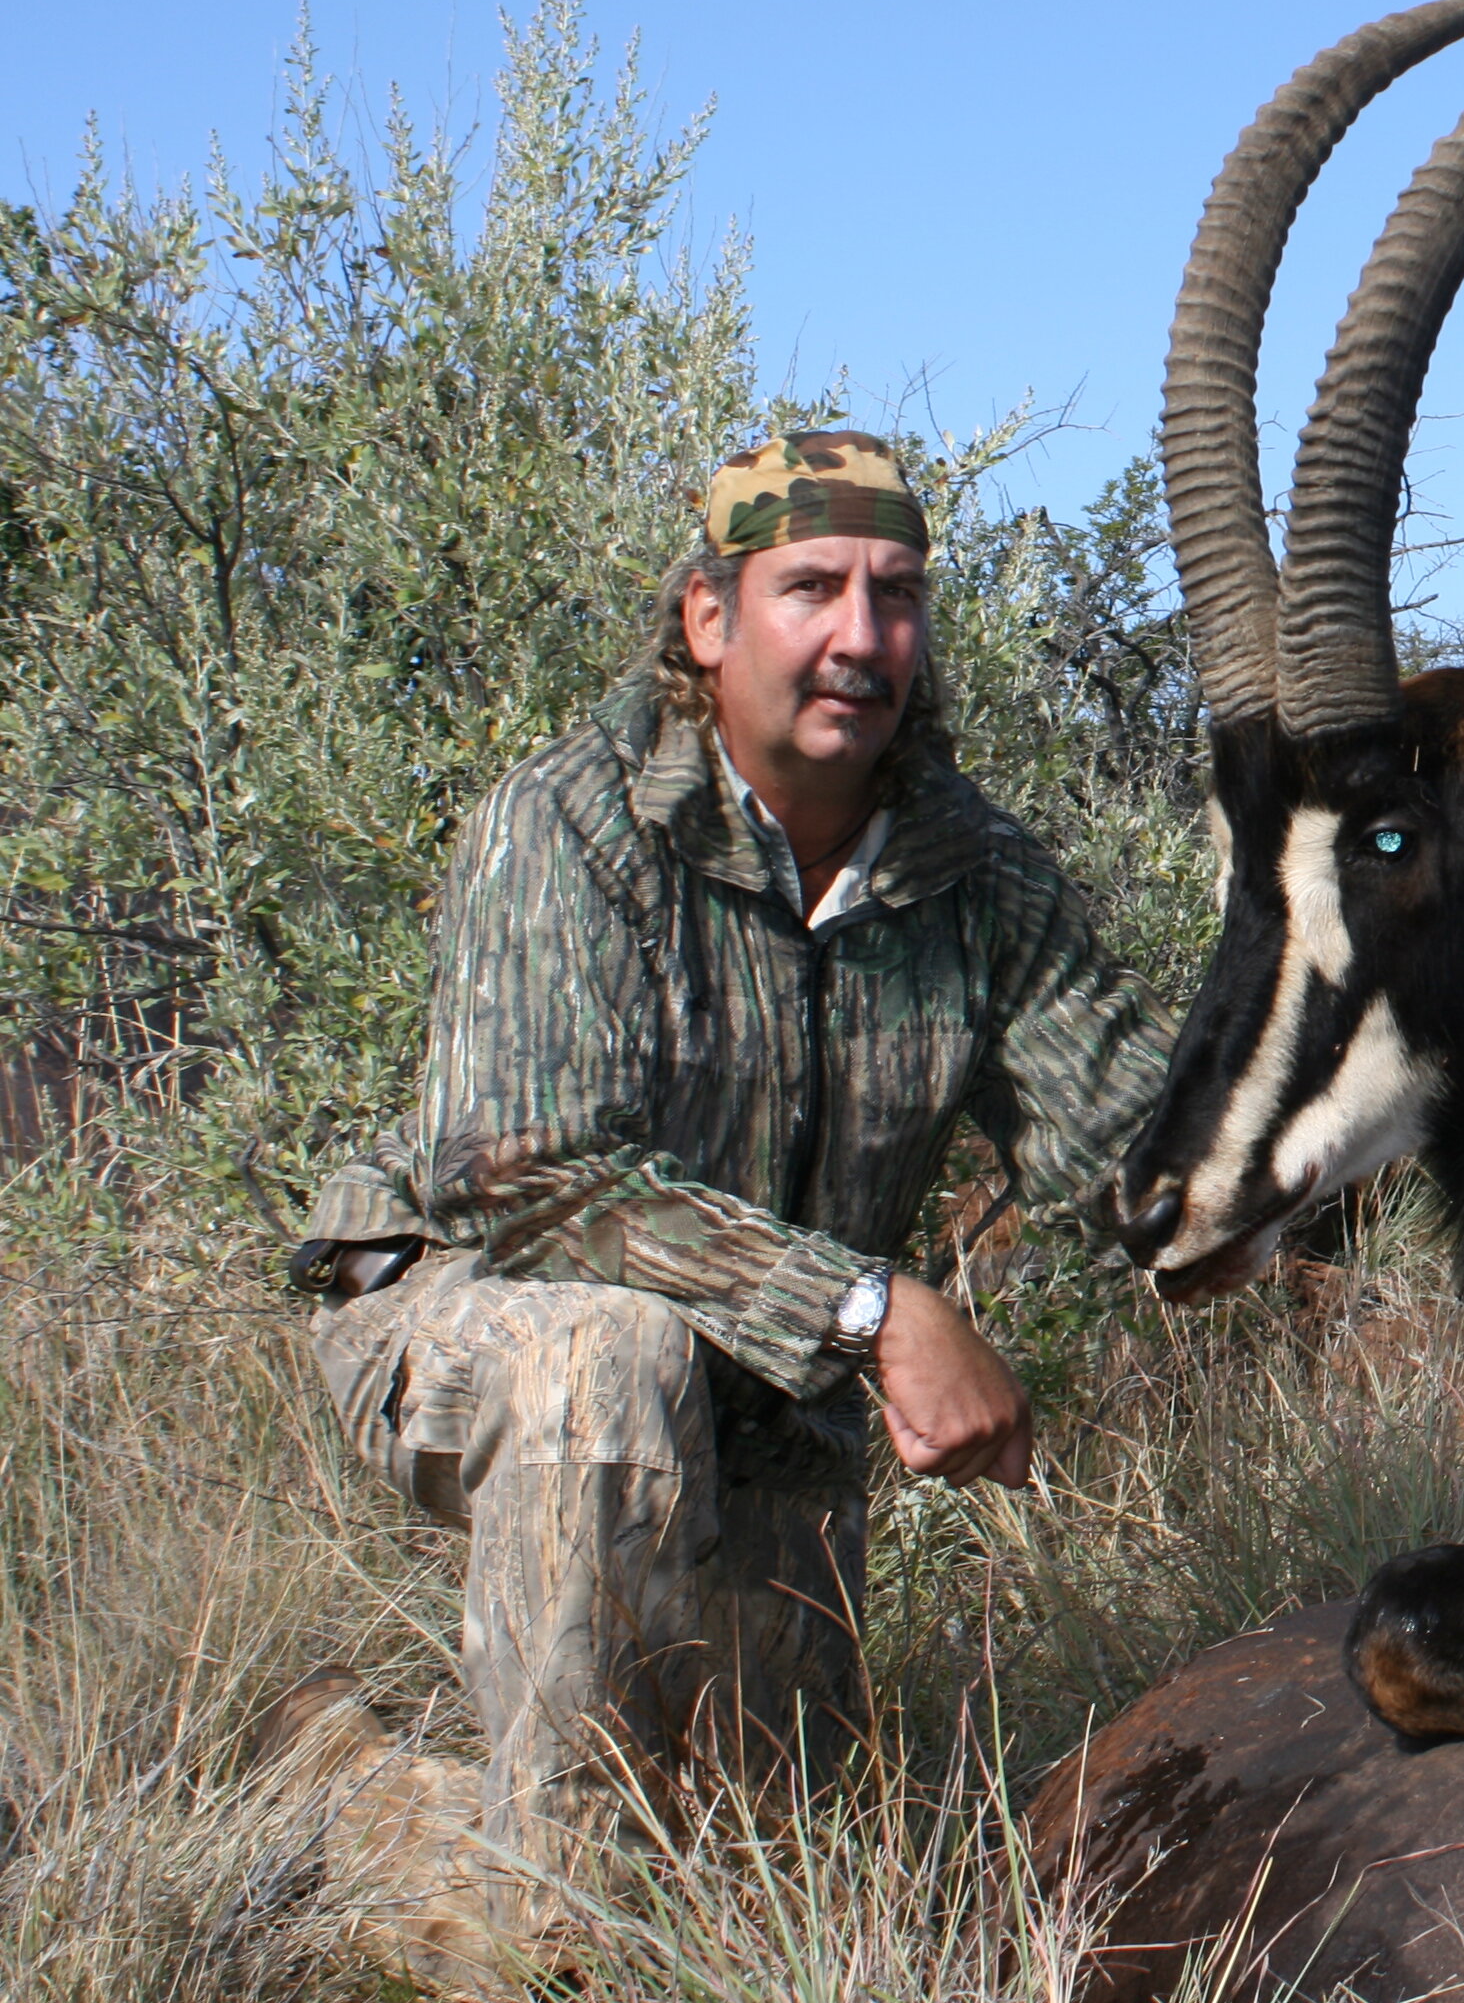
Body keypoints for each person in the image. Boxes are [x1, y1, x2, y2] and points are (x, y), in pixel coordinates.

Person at [273, 430, 1173, 1982]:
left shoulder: (982, 882)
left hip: (765, 1409)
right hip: (470, 1322)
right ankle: (558, 1956)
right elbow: (527, 1179)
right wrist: (876, 1310)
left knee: (758, 1885)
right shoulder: (571, 822)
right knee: (604, 1364)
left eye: (895, 597)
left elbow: (1142, 1164)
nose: (858, 636)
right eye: (811, 587)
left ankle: (351, 1795)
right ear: (710, 620)